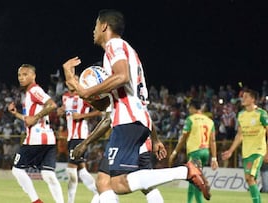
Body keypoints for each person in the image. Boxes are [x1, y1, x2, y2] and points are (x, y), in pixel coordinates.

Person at [63, 9, 211, 202]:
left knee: (118, 184)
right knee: (103, 182)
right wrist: (77, 86)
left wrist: (85, 91)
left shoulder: (114, 45)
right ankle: (185, 171)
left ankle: (185, 171)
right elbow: (105, 105)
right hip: (133, 119)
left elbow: (122, 77)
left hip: (128, 120)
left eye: (95, 26)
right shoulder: (125, 51)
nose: (93, 31)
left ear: (104, 26)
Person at [8, 64, 64, 203]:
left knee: (17, 170)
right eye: (19, 75)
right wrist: (17, 114)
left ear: (33, 76)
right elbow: (30, 119)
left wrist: (36, 117)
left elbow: (52, 105)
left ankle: (36, 201)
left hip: (36, 138)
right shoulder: (29, 94)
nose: (21, 78)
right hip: (48, 138)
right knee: (48, 174)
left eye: (25, 74)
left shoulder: (34, 90)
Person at [222, 89, 268, 203]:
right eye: (243, 96)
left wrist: (267, 151)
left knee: (250, 178)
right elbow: (239, 135)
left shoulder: (261, 114)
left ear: (253, 99)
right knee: (250, 180)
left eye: (246, 97)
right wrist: (231, 150)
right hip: (246, 151)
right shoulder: (241, 115)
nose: (243, 98)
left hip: (258, 150)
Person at [168, 99, 218, 203]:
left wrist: (175, 152)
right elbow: (213, 140)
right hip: (205, 151)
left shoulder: (190, 119)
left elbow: (183, 137)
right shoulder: (209, 121)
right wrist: (214, 158)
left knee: (196, 181)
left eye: (189, 108)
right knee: (192, 179)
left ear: (192, 108)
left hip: (195, 152)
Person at [57, 88, 101, 203]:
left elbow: (99, 110)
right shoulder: (65, 97)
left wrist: (81, 116)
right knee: (82, 170)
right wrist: (60, 112)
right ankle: (98, 192)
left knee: (71, 170)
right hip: (71, 137)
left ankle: (70, 201)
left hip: (80, 137)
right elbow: (64, 114)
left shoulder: (84, 96)